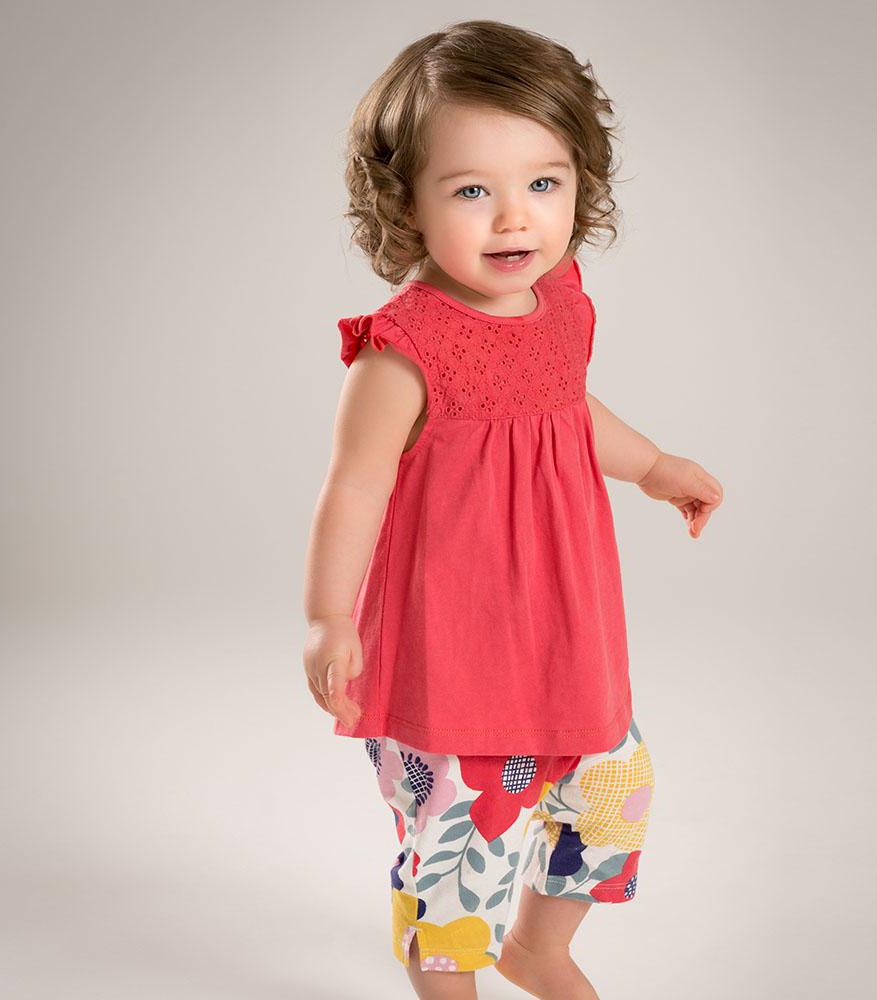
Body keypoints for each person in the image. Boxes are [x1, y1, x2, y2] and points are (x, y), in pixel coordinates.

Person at [303, 19, 724, 1000]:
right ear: (405, 201)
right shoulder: (402, 352)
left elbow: (563, 406)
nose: (513, 219)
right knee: (461, 845)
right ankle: (452, 977)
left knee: (609, 795)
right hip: (455, 646)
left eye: (543, 182)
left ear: (581, 182)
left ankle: (537, 946)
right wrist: (327, 617)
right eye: (470, 191)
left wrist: (651, 465)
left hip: (564, 629)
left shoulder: (560, 299)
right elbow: (354, 485)